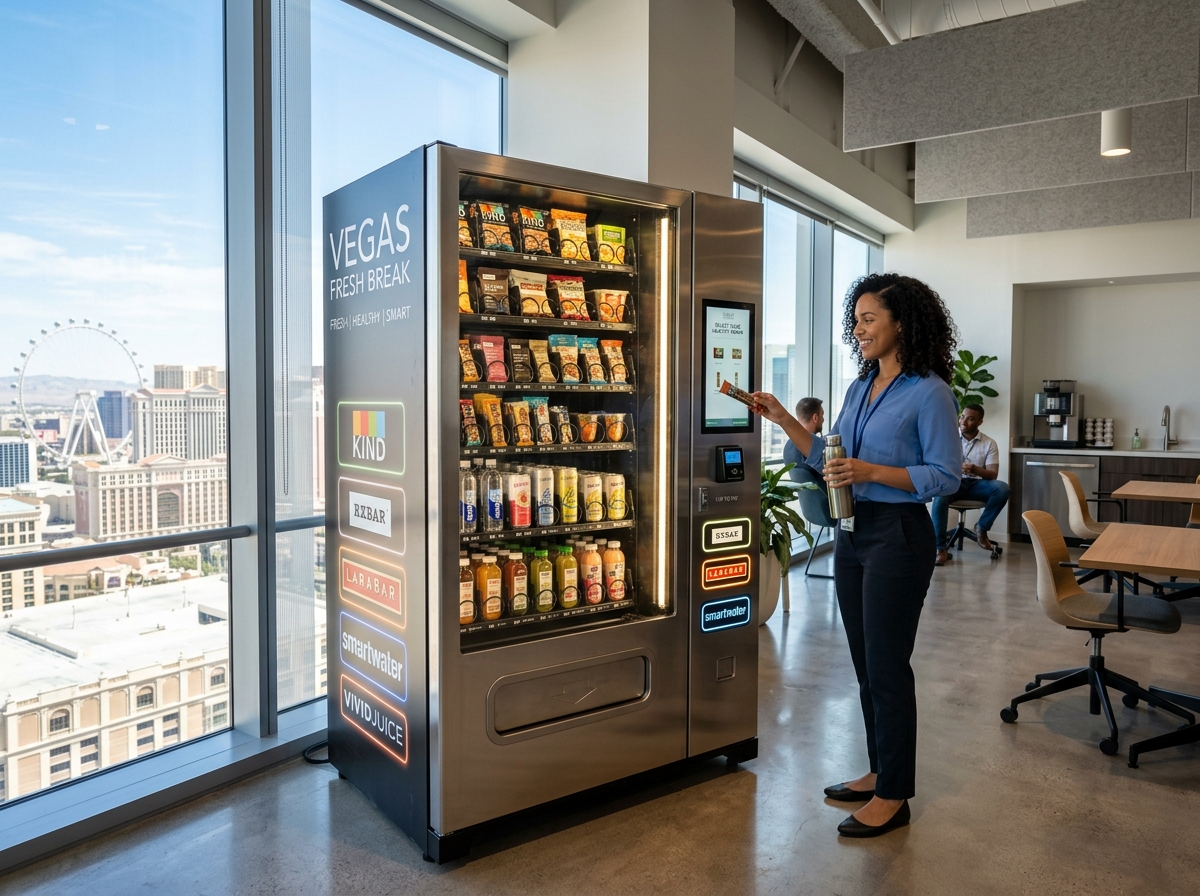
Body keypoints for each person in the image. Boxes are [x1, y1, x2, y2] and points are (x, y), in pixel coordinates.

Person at [751, 273, 960, 838]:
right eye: (857, 320)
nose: (860, 329)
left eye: (870, 319)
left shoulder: (930, 392)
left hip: (899, 535)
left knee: (888, 666)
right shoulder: (860, 386)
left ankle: (895, 794)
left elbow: (945, 476)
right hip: (852, 532)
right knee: (866, 665)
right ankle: (878, 769)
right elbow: (829, 452)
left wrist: (872, 472)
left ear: (901, 324)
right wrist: (783, 418)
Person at [931, 404, 1010, 565]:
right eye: (962, 417)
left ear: (980, 422)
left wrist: (975, 469)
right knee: (939, 496)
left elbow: (992, 474)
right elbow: (936, 463)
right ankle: (940, 549)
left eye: (970, 419)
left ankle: (981, 527)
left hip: (976, 485)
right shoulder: (949, 438)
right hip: (953, 482)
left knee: (1002, 488)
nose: (964, 421)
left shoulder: (989, 443)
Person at [783, 398, 824, 481]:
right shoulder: (813, 448)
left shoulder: (789, 446)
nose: (823, 419)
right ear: (815, 418)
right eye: (822, 415)